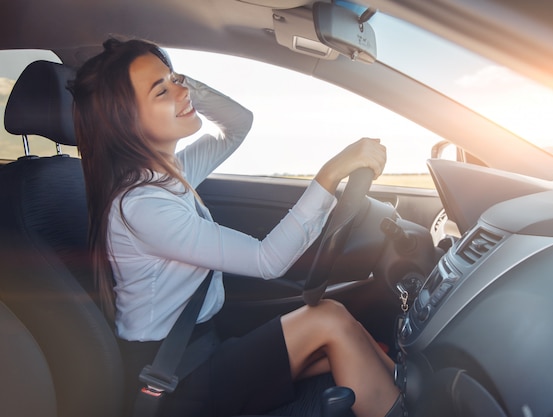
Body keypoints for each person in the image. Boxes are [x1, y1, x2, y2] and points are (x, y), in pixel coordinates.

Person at [71, 37, 403, 417]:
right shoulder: (141, 205)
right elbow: (268, 261)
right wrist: (331, 173)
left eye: (175, 78)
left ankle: (411, 391)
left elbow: (237, 124)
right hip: (171, 380)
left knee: (344, 328)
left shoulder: (168, 174)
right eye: (161, 90)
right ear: (124, 122)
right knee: (327, 317)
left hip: (204, 346)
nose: (181, 91)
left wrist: (183, 85)